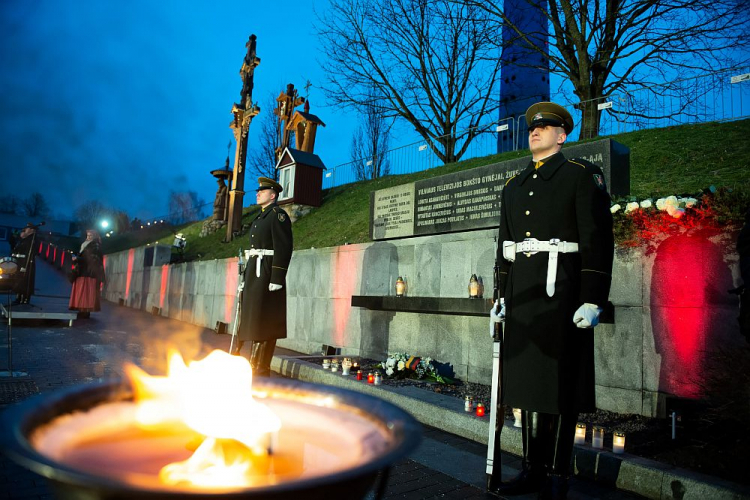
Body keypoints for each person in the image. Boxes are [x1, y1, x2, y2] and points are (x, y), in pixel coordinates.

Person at [487, 102, 614, 499]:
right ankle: (532, 469)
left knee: (560, 388)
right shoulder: (514, 185)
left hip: (563, 295)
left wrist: (593, 299)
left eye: (546, 127)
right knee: (526, 388)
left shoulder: (580, 177)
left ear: (562, 135)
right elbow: (504, 246)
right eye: (532, 128)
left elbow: (597, 239)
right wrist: (500, 296)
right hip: (523, 297)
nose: (535, 132)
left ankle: (558, 475)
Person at [233, 177, 293, 376]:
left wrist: (277, 278)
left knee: (264, 318)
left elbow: (283, 247)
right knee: (254, 317)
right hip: (255, 271)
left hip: (267, 272)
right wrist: (245, 279)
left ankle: (261, 366)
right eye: (258, 191)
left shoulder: (277, 215)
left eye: (262, 191)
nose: (257, 193)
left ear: (273, 195)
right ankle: (251, 362)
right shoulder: (261, 217)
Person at [69, 229, 106, 318]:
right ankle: (82, 310)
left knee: (86, 291)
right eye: (87, 235)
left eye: (90, 236)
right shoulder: (85, 245)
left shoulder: (95, 246)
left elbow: (92, 259)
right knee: (82, 291)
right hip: (83, 271)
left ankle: (85, 311)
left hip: (89, 272)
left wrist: (78, 259)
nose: (88, 237)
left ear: (94, 237)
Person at [11, 223, 39, 305]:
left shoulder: (32, 240)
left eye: (26, 229)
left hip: (26, 264)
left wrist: (24, 266)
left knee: (25, 281)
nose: (23, 231)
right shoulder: (23, 240)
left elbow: (30, 253)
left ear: (31, 230)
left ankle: (25, 298)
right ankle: (18, 297)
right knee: (18, 281)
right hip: (18, 263)